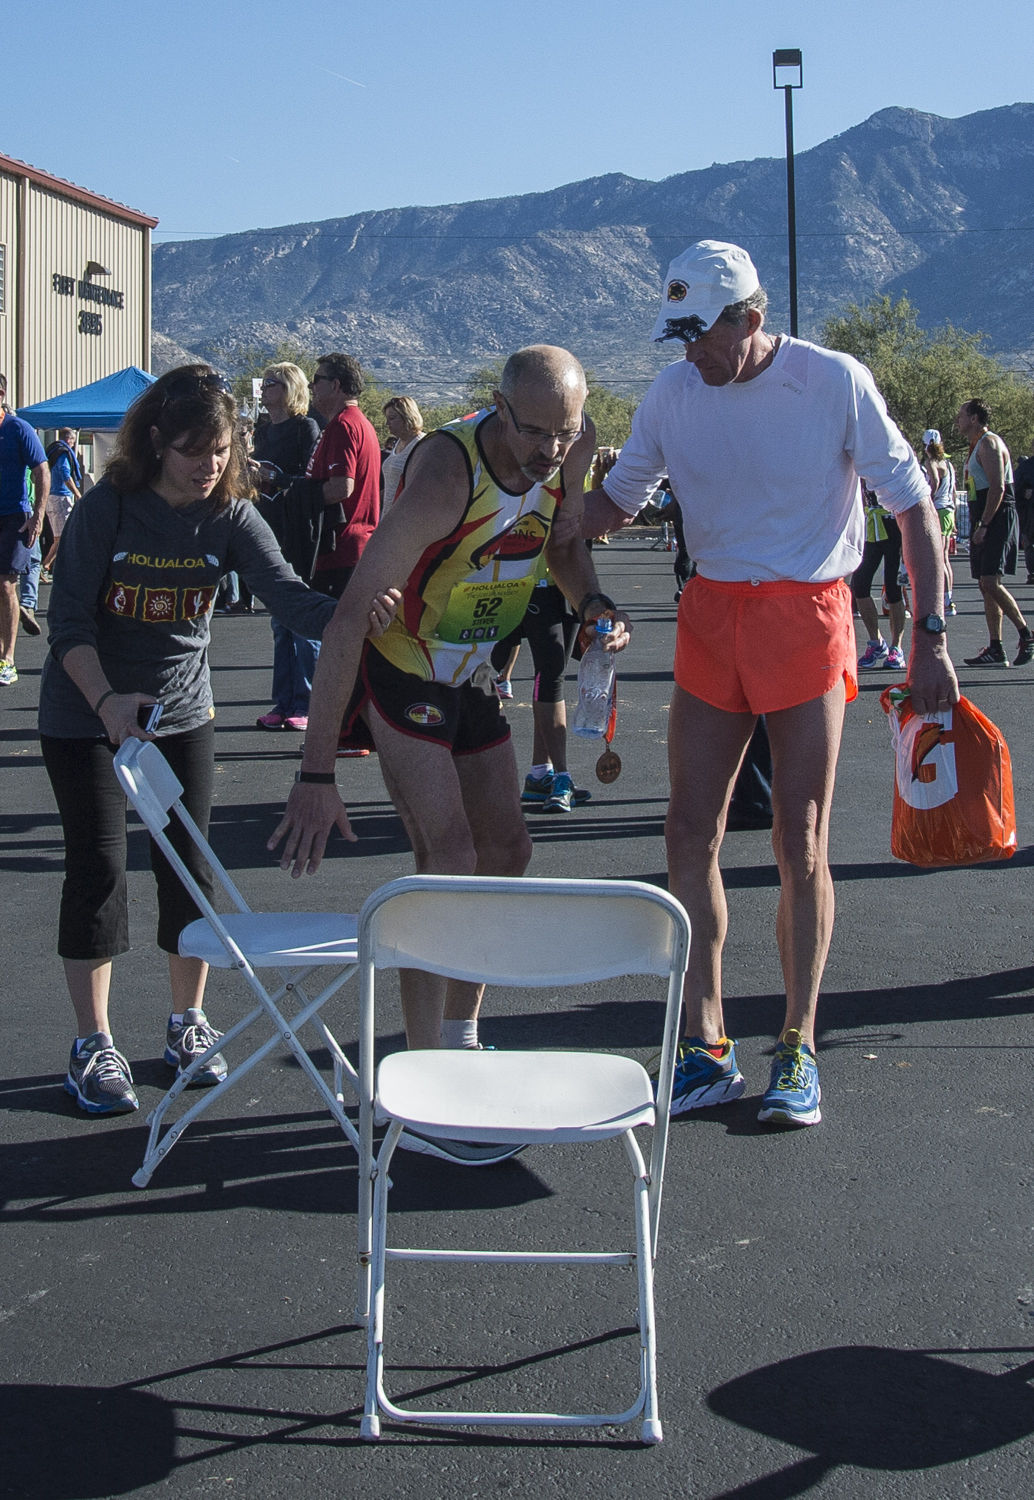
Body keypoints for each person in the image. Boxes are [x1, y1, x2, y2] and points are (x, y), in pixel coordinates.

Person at [583, 241, 957, 1128]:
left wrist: (931, 637)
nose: (688, 355)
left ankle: (797, 1042)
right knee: (688, 833)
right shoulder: (676, 393)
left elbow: (912, 505)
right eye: (677, 337)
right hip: (713, 615)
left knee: (801, 839)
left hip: (807, 615)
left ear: (750, 318)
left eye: (701, 334)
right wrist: (526, 511)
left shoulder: (832, 379)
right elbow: (614, 504)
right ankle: (704, 1046)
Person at [269, 345, 631, 1163]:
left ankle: (461, 1042)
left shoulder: (569, 447)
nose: (550, 452)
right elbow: (348, 618)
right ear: (498, 410)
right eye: (535, 434)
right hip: (404, 670)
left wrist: (595, 602)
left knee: (509, 849)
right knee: (450, 854)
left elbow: (563, 545)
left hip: (472, 671)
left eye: (564, 435)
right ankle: (417, 1072)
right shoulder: (444, 475)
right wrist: (316, 772)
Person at [38, 364, 394, 1117]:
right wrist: (106, 702)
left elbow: (293, 601)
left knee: (188, 870)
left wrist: (358, 610)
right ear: (158, 442)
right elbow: (67, 624)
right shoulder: (110, 509)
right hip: (86, 711)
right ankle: (91, 1041)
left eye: (223, 450)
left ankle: (185, 1023)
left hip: (179, 713)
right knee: (98, 865)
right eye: (195, 451)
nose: (210, 466)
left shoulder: (230, 516)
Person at [251, 362, 322, 729]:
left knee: (302, 625)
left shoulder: (305, 428)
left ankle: (307, 703)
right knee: (279, 625)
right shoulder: (263, 430)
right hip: (268, 529)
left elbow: (312, 481)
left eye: (271, 383)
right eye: (264, 383)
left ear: (289, 388)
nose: (264, 389)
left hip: (297, 533)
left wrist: (276, 478)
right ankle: (282, 701)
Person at [956, 400, 1034, 668]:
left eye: (962, 414)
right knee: (984, 583)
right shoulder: (975, 444)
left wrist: (985, 525)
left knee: (991, 581)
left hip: (997, 516)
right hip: (985, 515)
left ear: (975, 418)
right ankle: (995, 647)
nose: (958, 419)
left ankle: (1026, 635)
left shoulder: (989, 443)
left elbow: (999, 488)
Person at [306, 353, 381, 599]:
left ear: (335, 385)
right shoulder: (360, 423)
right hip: (356, 548)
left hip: (340, 549)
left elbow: (341, 488)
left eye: (317, 380)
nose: (311, 387)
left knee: (326, 631)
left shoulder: (343, 425)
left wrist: (295, 495)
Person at [0, 372, 49, 686]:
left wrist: (38, 517)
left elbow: (42, 471)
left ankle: (8, 658)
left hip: (14, 516)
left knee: (5, 583)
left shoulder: (18, 429)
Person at [851, 486, 908, 672]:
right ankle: (876, 642)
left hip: (894, 526)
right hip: (872, 526)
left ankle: (896, 647)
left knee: (893, 589)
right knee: (859, 585)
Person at [922, 429, 957, 615]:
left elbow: (934, 481)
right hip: (949, 510)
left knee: (939, 558)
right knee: (945, 557)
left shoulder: (931, 462)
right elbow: (953, 491)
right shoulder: (949, 464)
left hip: (939, 509)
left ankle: (945, 601)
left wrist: (928, 499)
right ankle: (948, 598)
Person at [42, 428, 83, 574]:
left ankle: (51, 565)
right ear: (69, 439)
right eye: (72, 441)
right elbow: (65, 474)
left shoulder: (51, 451)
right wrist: (77, 493)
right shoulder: (62, 453)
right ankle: (46, 565)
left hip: (51, 496)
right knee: (62, 536)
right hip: (60, 496)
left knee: (60, 536)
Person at [381, 396, 424, 512]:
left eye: (392, 418)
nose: (387, 423)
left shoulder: (422, 444)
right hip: (387, 515)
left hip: (407, 518)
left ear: (407, 417)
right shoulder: (398, 442)